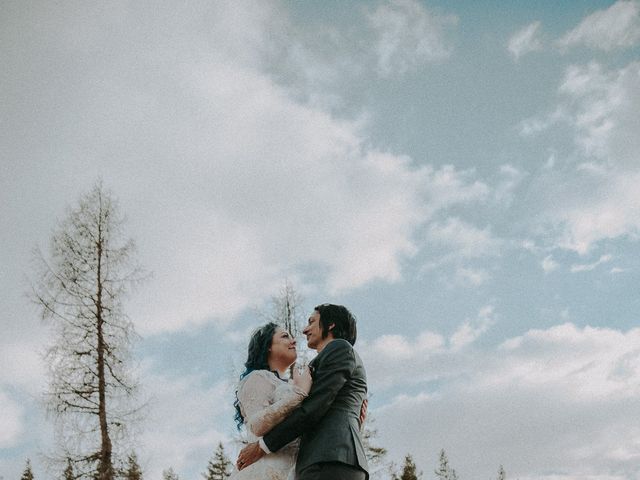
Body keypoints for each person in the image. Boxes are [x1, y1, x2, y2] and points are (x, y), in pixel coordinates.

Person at [237, 303, 369, 480]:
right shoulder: (313, 367)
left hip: (331, 458)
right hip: (317, 460)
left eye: (311, 322)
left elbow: (315, 407)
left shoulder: (339, 348)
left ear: (330, 325)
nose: (304, 330)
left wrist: (263, 446)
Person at [230, 322, 313, 480]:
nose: (293, 341)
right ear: (268, 346)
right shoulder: (256, 378)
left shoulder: (286, 384)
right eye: (284, 336)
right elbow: (257, 425)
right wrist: (299, 394)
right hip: (263, 471)